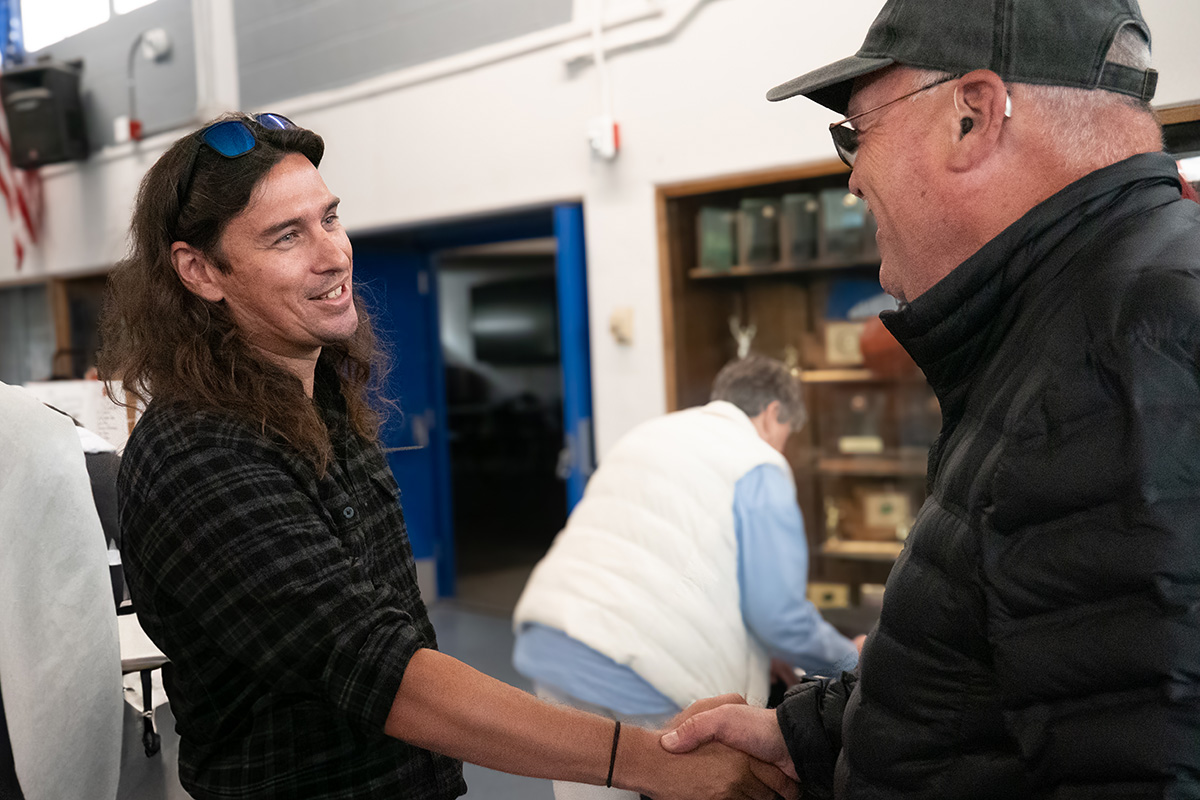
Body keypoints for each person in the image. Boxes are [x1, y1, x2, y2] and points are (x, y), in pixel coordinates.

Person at [98, 113, 796, 800]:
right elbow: (381, 671)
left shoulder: (323, 411)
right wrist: (647, 759)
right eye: (287, 236)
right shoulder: (199, 455)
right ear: (199, 271)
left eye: (329, 219)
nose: (332, 253)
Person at [660, 0, 1200, 797]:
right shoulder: (1072, 318)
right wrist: (805, 734)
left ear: (972, 118)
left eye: (858, 134)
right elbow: (1003, 672)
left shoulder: (1118, 356)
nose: (851, 177)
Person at [512, 355, 862, 799]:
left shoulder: (652, 433)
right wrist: (850, 667)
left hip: (554, 637)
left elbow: (662, 556)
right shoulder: (757, 463)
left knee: (590, 783)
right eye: (786, 437)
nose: (782, 449)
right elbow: (779, 616)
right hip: (641, 669)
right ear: (774, 414)